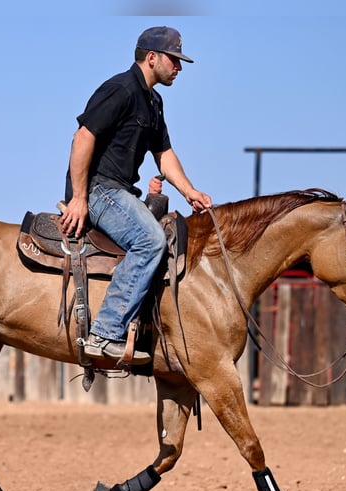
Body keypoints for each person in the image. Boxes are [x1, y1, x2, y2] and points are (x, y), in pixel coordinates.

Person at [60, 26, 213, 365]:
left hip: (120, 191)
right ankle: (104, 333)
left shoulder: (154, 102)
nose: (180, 67)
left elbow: (164, 154)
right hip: (99, 189)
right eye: (174, 59)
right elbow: (82, 139)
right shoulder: (120, 89)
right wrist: (79, 198)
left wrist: (189, 191)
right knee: (151, 240)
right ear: (152, 58)